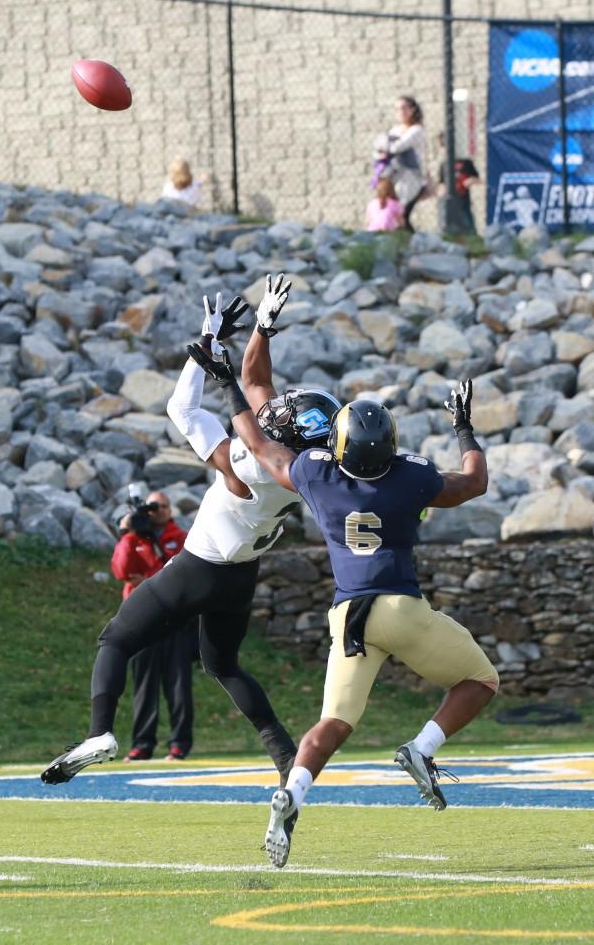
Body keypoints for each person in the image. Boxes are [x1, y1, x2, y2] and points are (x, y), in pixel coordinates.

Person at [186, 345, 500, 869]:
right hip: (401, 609)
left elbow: (260, 444)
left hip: (349, 617)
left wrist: (229, 385)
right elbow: (474, 482)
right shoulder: (412, 477)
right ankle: (421, 749)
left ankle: (294, 793)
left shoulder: (316, 474)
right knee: (480, 680)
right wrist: (464, 427)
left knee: (332, 722)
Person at [40, 277, 341, 789]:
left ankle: (99, 733)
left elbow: (184, 408)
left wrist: (205, 346)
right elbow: (259, 382)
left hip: (201, 567)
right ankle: (287, 758)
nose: (279, 405)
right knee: (223, 665)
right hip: (242, 576)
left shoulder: (248, 460)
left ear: (282, 434)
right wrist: (263, 329)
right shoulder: (310, 470)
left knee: (114, 640)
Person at [111, 489, 195, 762]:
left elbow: (180, 574)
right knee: (144, 687)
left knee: (178, 686)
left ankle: (179, 744)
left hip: (174, 620)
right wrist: (128, 535)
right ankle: (142, 745)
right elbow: (122, 571)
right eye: (152, 507)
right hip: (142, 621)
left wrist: (146, 580)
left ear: (169, 510)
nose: (156, 512)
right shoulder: (135, 538)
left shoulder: (179, 537)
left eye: (161, 506)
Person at [386, 95, 430, 232]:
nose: (401, 112)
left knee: (403, 212)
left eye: (404, 108)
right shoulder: (394, 130)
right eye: (397, 109)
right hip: (395, 177)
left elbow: (396, 147)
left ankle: (409, 241)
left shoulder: (417, 130)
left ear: (412, 110)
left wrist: (386, 147)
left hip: (412, 178)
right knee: (397, 214)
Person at [437, 132, 481, 234]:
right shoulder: (444, 165)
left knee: (469, 227)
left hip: (464, 201)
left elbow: (478, 179)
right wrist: (441, 193)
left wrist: (471, 181)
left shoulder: (465, 162)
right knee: (447, 228)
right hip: (450, 203)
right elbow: (441, 184)